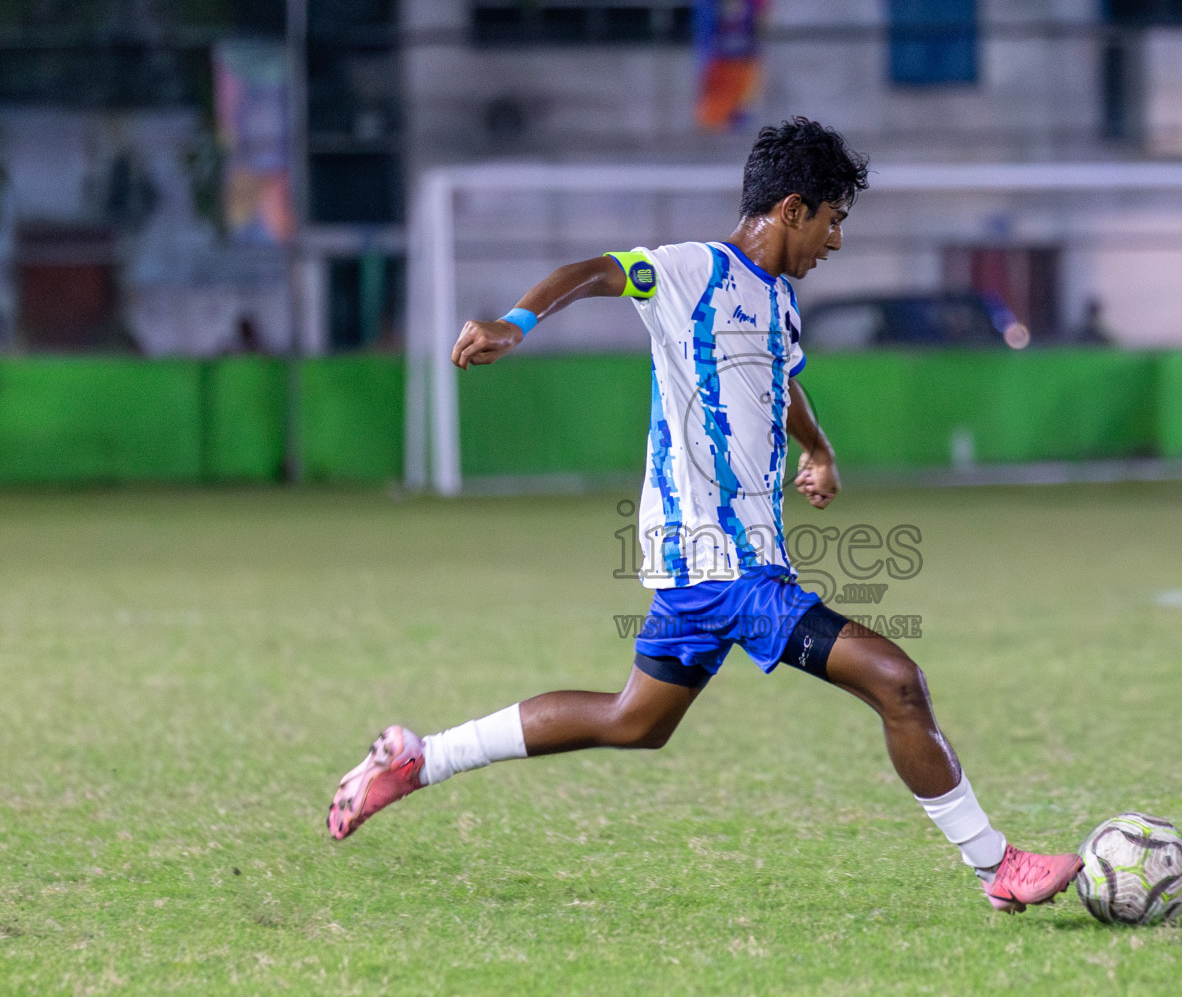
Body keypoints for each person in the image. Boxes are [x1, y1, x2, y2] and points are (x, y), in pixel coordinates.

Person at [326, 118, 1083, 911]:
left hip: (730, 563)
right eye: (834, 220)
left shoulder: (779, 303)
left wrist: (817, 448)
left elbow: (780, 381)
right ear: (793, 209)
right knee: (896, 681)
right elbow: (591, 272)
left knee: (636, 720)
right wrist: (514, 324)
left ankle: (420, 757)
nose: (835, 239)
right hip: (719, 563)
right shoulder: (691, 270)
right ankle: (995, 865)